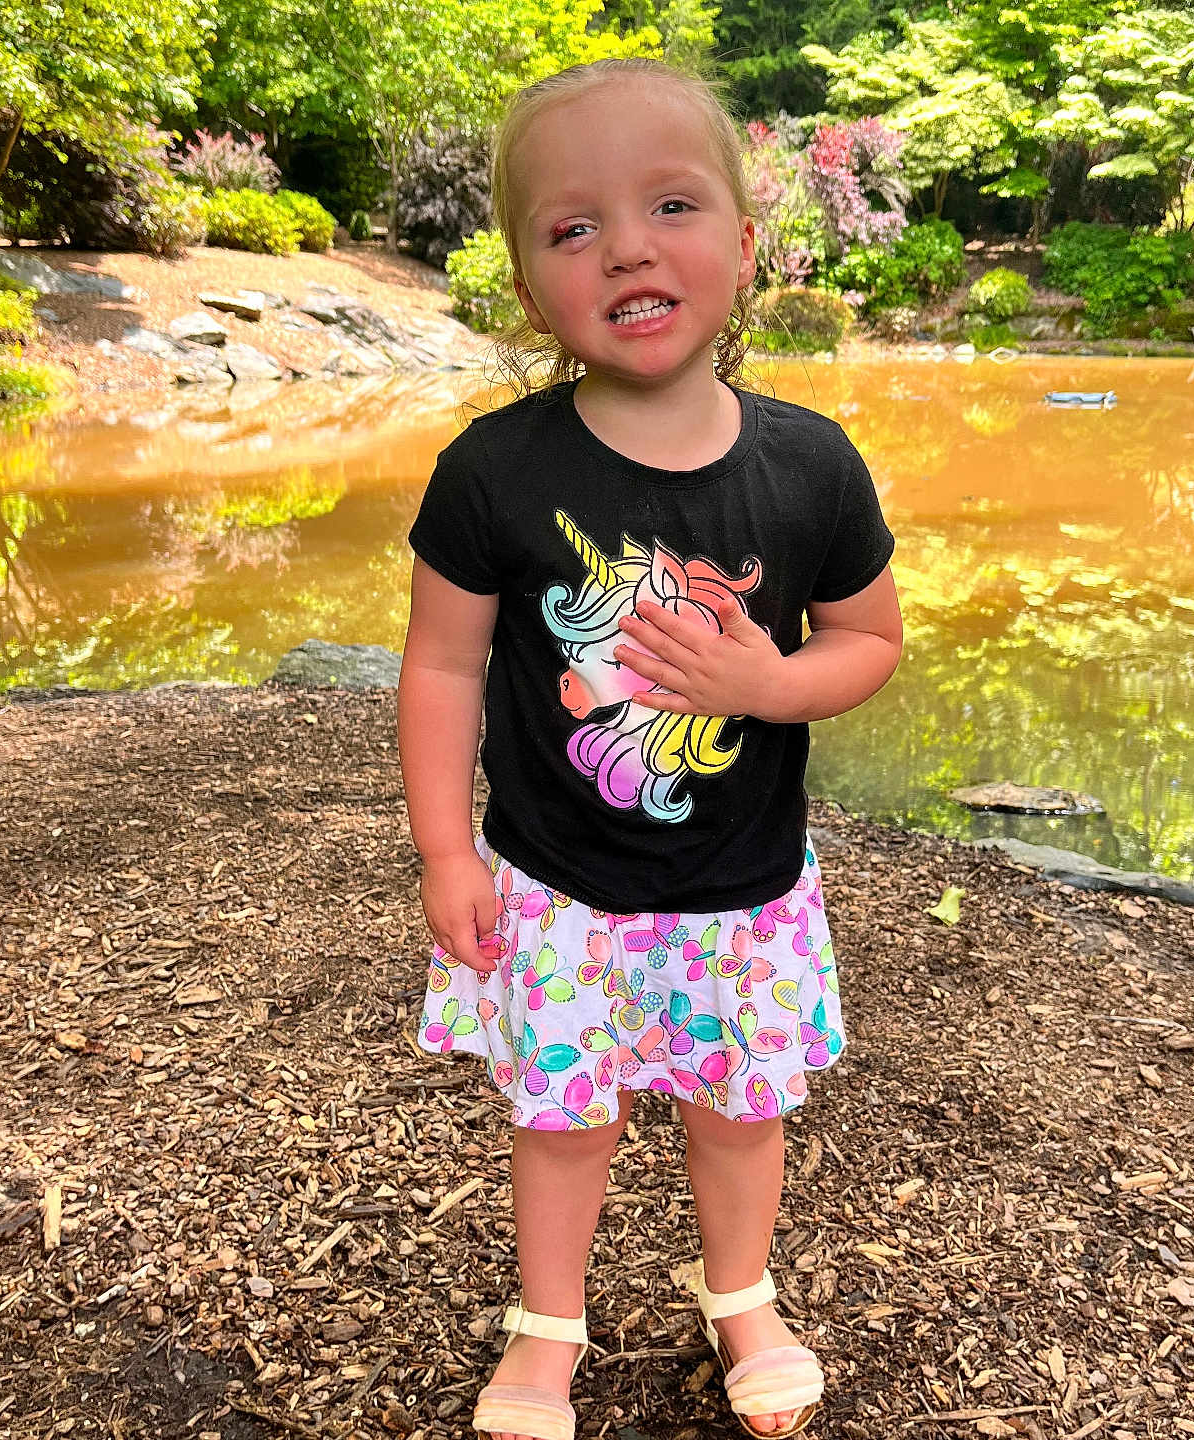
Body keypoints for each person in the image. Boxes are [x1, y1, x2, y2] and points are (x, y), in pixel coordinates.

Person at [397, 57, 903, 1440]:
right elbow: (441, 664)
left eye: (671, 204)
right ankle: (546, 1328)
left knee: (738, 1112)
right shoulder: (494, 471)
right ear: (526, 285)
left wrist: (768, 677)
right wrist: (449, 849)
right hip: (556, 886)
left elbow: (869, 640)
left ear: (744, 246)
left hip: (742, 890)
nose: (625, 244)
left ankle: (740, 1294)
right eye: (572, 228)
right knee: (562, 1118)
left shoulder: (810, 468)